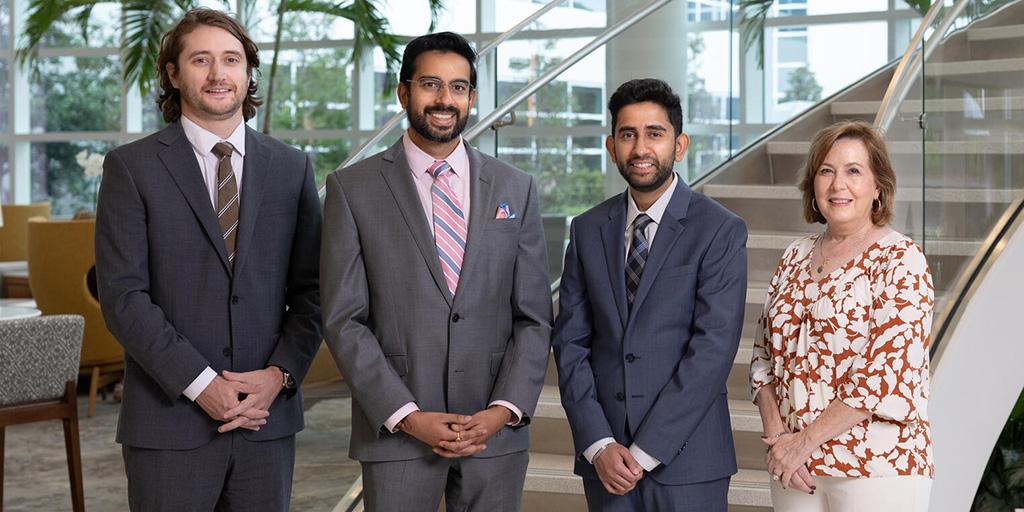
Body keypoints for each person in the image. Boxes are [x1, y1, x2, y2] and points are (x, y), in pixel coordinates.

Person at [95, 8, 322, 511]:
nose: (218, 74)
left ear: (248, 73)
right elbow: (123, 298)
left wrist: (279, 375)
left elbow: (315, 291)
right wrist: (201, 386)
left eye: (231, 60)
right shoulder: (130, 169)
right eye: (201, 59)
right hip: (169, 422)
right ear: (173, 74)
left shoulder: (291, 168)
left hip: (266, 423)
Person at [320, 31, 552, 511]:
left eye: (459, 87)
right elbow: (344, 319)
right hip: (397, 433)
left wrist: (503, 409)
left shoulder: (516, 188)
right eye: (431, 84)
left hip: (494, 434)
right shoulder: (351, 189)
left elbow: (534, 315)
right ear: (404, 92)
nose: (446, 99)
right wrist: (406, 415)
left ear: (471, 97)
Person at [551, 78, 748, 512]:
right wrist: (599, 444)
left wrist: (643, 452)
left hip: (688, 461)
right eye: (628, 134)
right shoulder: (586, 230)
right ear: (611, 145)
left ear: (680, 145)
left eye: (654, 134)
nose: (640, 148)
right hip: (605, 461)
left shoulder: (719, 229)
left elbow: (712, 351)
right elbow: (570, 344)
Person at [749, 120, 934, 511]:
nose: (838, 185)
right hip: (794, 467)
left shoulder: (901, 260)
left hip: (877, 467)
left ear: (878, 186)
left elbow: (881, 378)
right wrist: (779, 439)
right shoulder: (794, 255)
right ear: (813, 185)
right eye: (826, 171)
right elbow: (763, 358)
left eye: (854, 171)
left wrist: (802, 442)